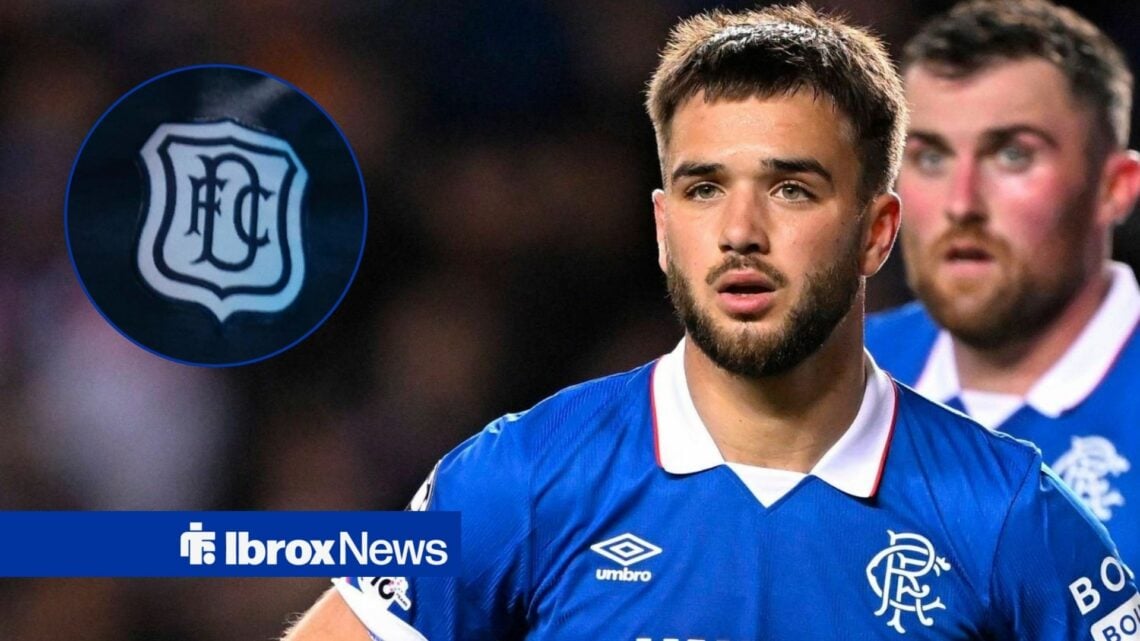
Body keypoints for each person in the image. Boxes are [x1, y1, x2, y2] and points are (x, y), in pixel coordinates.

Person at [285, 5, 1136, 640]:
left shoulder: (1012, 517)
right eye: (703, 189)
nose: (740, 232)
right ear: (662, 229)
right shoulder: (524, 477)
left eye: (792, 189)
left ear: (878, 233)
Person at [866, 0, 1140, 568]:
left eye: (1013, 155)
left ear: (1115, 187)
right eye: (930, 157)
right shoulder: (829, 376)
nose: (962, 204)